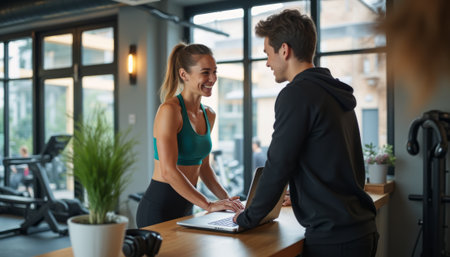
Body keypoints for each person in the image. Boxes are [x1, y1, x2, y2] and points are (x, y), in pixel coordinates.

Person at [233, 9, 378, 257]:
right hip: (360, 231)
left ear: (285, 50)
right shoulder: (332, 91)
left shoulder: (296, 94)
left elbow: (279, 164)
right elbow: (329, 160)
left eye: (268, 54)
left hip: (334, 240)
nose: (267, 63)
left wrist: (247, 218)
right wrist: (301, 194)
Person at [136, 43, 244, 227]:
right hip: (159, 208)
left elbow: (204, 167)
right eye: (205, 72)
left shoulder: (209, 114)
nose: (212, 78)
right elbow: (168, 171)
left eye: (215, 72)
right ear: (184, 74)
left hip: (187, 206)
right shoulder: (169, 111)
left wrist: (229, 202)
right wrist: (208, 205)